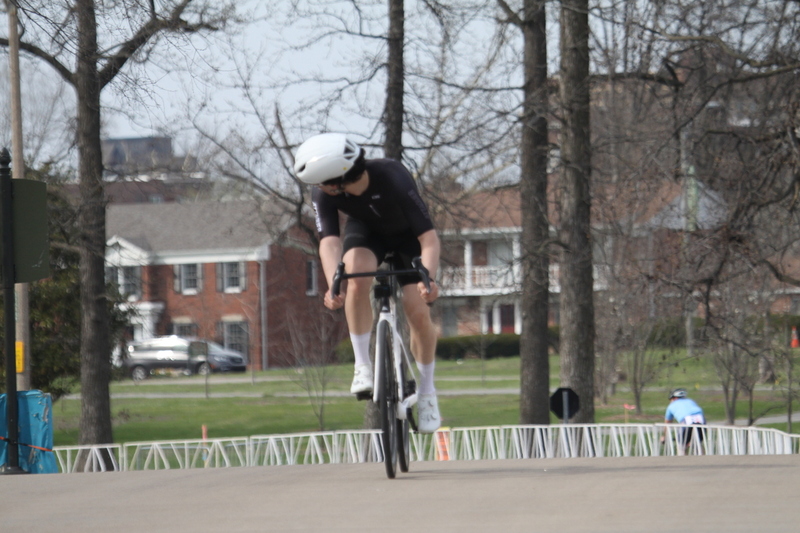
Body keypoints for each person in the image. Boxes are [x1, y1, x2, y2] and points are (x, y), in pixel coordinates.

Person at [293, 133, 442, 433]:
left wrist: (429, 279)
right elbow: (329, 243)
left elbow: (428, 239)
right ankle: (362, 365)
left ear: (337, 181)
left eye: (321, 184)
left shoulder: (392, 176)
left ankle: (427, 391)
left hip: (408, 239)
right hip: (367, 234)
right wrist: (335, 284)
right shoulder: (324, 196)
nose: (318, 190)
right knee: (355, 278)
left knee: (417, 311)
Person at [661, 388, 706, 455]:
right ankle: (704, 458)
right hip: (701, 420)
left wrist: (664, 436)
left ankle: (682, 461)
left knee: (681, 445)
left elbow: (667, 424)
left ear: (674, 398)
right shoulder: (691, 401)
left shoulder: (671, 406)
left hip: (686, 421)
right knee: (697, 443)